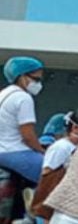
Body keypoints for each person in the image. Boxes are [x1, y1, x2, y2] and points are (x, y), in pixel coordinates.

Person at [0, 56, 45, 184]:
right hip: (15, 151)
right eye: (35, 79)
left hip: (2, 151)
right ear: (21, 77)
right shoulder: (23, 98)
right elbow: (28, 136)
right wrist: (42, 151)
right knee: (53, 172)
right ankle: (37, 201)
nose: (38, 84)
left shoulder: (4, 94)